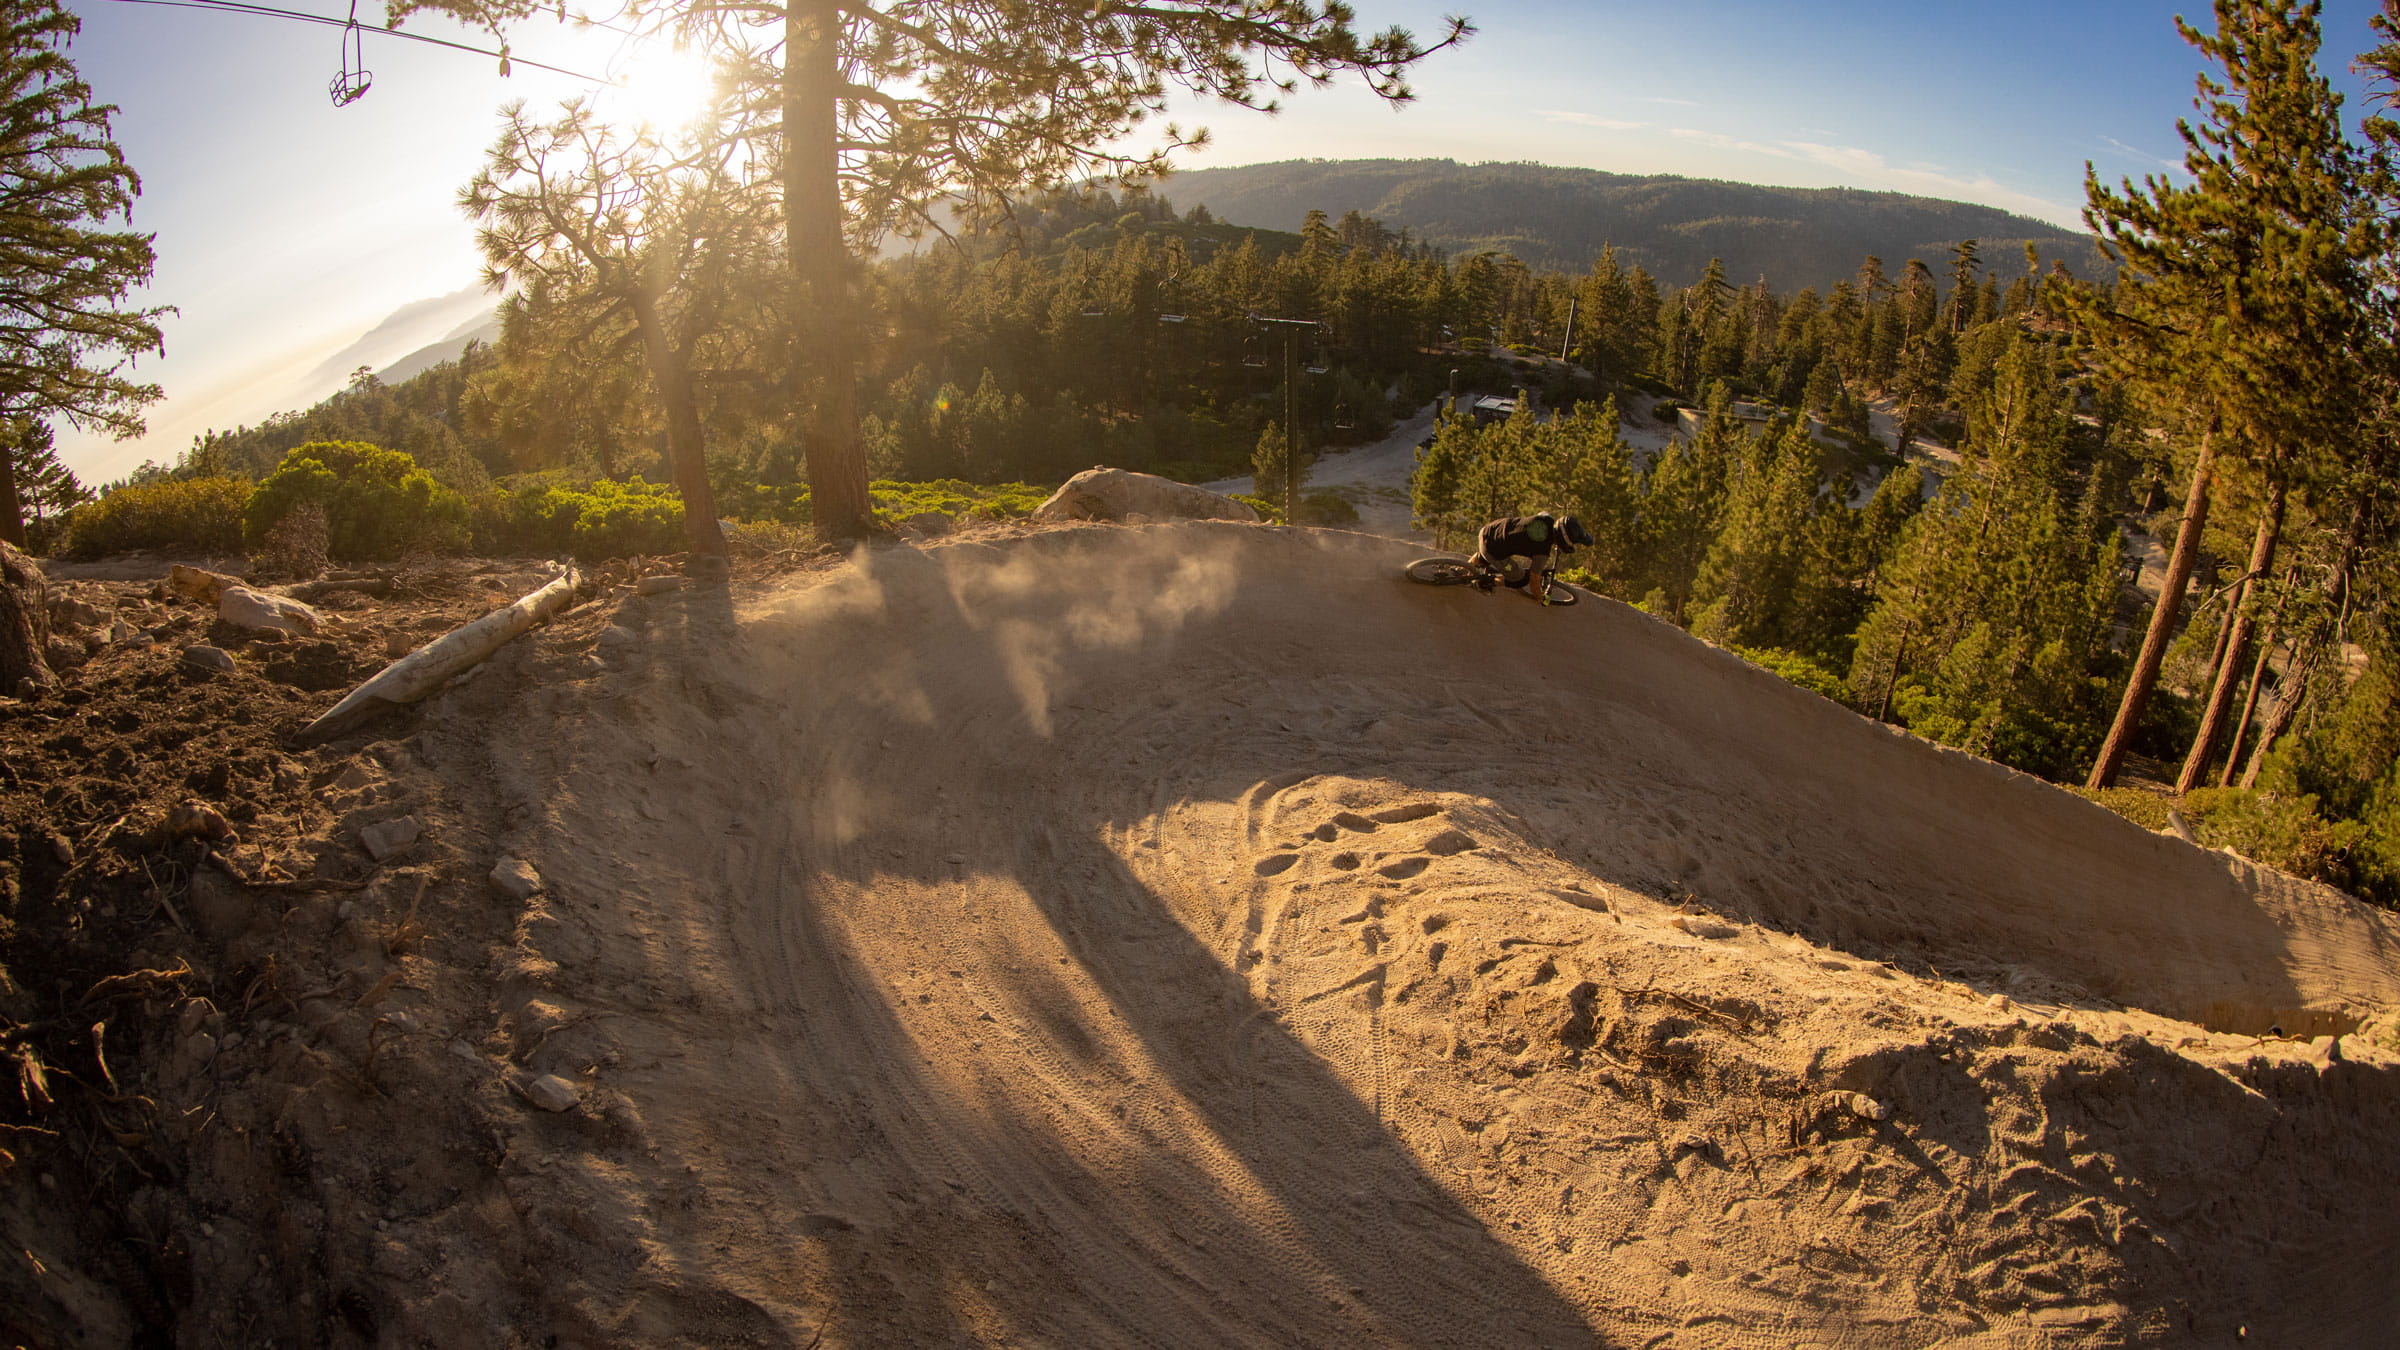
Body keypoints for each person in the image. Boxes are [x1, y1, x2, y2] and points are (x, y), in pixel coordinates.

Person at [1472, 511, 1594, 603]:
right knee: (1519, 578)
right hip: (1491, 550)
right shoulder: (1542, 553)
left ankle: (1469, 565)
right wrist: (1541, 599)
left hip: (1489, 529)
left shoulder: (1546, 517)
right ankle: (1486, 583)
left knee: (1500, 546)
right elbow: (1533, 582)